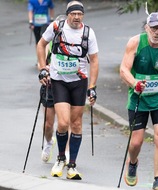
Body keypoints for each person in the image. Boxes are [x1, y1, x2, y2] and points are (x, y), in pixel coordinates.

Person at [37, 1, 99, 180]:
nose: (77, 17)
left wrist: (92, 87)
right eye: (73, 14)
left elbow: (94, 61)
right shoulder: (56, 27)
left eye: (80, 14)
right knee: (63, 123)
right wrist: (42, 68)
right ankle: (60, 158)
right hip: (59, 81)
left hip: (79, 82)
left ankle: (72, 165)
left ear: (83, 16)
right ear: (68, 15)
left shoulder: (88, 33)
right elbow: (41, 45)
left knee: (77, 124)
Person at [119, 12, 158, 190]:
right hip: (138, 97)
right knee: (136, 142)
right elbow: (124, 69)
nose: (156, 32)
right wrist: (135, 83)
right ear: (147, 27)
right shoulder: (135, 43)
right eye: (154, 27)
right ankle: (132, 163)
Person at [38, 15, 68, 164]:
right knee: (48, 124)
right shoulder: (50, 44)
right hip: (51, 85)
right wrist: (44, 70)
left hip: (67, 86)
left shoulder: (75, 42)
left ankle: (66, 153)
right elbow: (41, 62)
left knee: (64, 122)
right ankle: (49, 142)